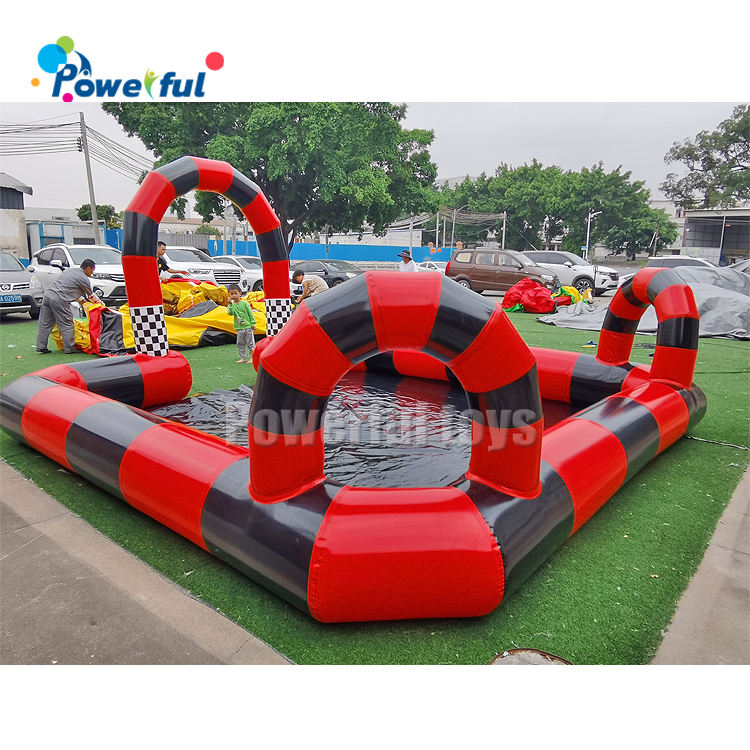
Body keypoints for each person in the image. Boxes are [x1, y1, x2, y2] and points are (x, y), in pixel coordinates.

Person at [36, 259, 101, 354]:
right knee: (66, 324)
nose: (92, 272)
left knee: (45, 323)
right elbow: (91, 296)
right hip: (60, 299)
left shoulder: (69, 271)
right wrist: (101, 304)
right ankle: (70, 348)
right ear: (88, 268)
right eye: (92, 270)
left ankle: (41, 346)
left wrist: (81, 300)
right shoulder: (83, 278)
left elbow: (70, 288)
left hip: (47, 295)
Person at [225, 284, 256, 364]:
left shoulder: (245, 304)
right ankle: (243, 358)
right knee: (240, 343)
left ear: (240, 293)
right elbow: (230, 313)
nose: (234, 295)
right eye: (231, 294)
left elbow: (250, 313)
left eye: (235, 293)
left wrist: (253, 323)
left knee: (251, 343)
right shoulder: (231, 305)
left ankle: (253, 357)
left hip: (248, 327)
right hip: (239, 328)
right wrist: (230, 304)